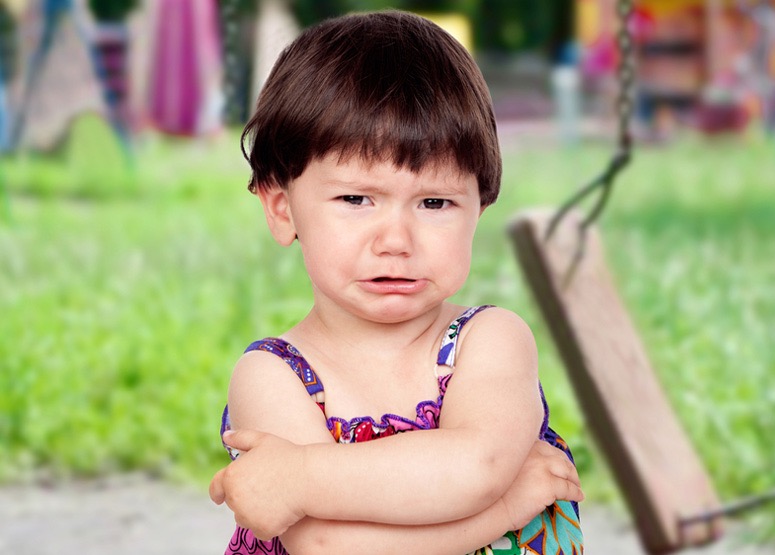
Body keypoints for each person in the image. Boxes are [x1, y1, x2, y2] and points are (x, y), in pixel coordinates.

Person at [209, 10, 584, 555]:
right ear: (283, 210)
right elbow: (327, 547)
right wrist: (506, 510)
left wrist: (299, 478)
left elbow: (478, 465)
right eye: (356, 199)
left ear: (478, 210)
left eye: (435, 203)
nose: (396, 241)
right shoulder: (272, 377)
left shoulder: (490, 341)